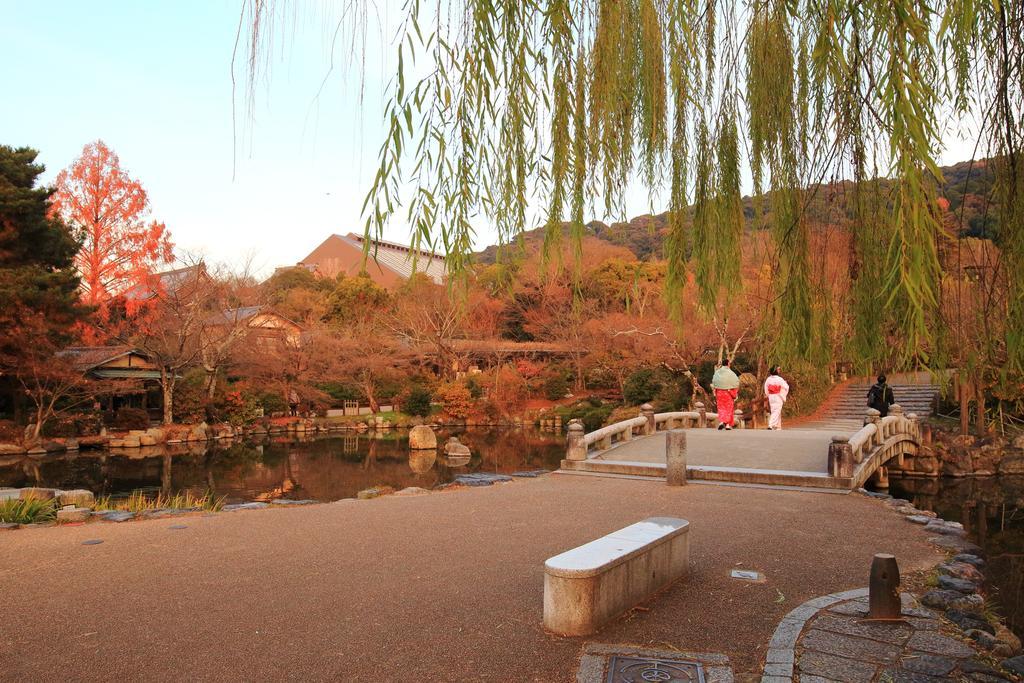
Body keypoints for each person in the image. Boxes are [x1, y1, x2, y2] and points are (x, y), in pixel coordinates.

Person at [711, 359, 741, 430]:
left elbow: (714, 382)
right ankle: (726, 424)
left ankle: (724, 423)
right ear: (728, 364)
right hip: (728, 393)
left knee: (721, 408)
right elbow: (736, 383)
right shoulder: (731, 373)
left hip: (719, 393)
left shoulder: (717, 372)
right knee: (729, 409)